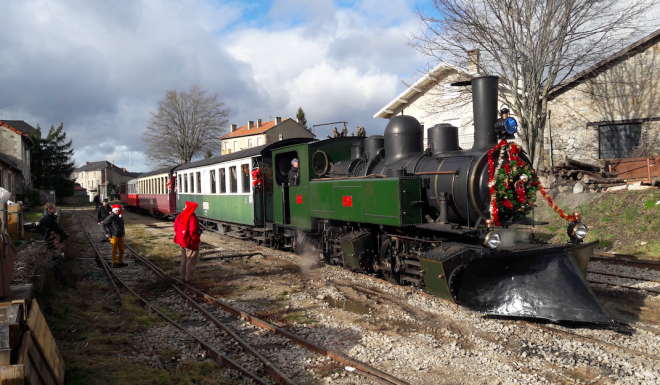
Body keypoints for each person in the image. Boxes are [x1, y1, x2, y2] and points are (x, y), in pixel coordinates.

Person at [174, 201, 201, 282]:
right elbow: (192, 230)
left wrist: (180, 236)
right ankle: (188, 279)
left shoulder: (181, 215)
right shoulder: (192, 216)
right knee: (190, 260)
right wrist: (196, 240)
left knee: (184, 260)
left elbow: (176, 226)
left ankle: (182, 277)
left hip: (181, 241)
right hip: (190, 242)